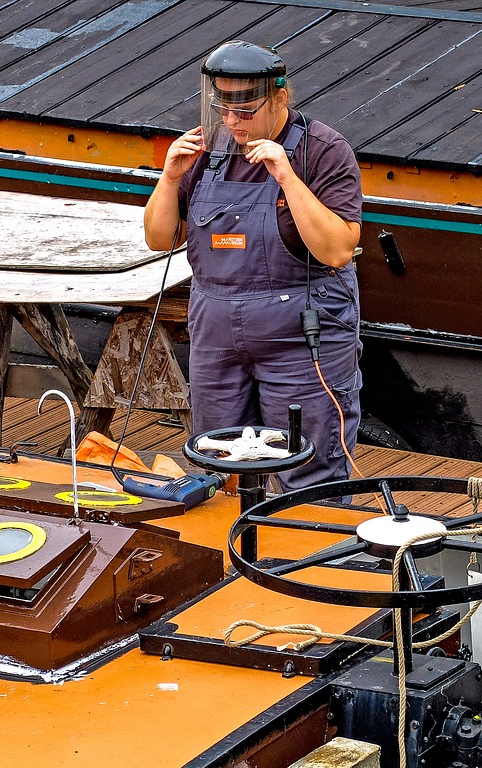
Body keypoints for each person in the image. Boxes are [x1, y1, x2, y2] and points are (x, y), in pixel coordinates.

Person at [144, 40, 363, 489]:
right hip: (217, 333)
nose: (231, 121)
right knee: (215, 458)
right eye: (221, 108)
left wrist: (286, 175)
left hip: (301, 336)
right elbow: (158, 238)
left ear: (280, 97)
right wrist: (169, 177)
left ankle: (308, 553)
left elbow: (338, 249)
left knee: (307, 466)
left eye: (245, 111)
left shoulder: (323, 151)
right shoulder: (206, 149)